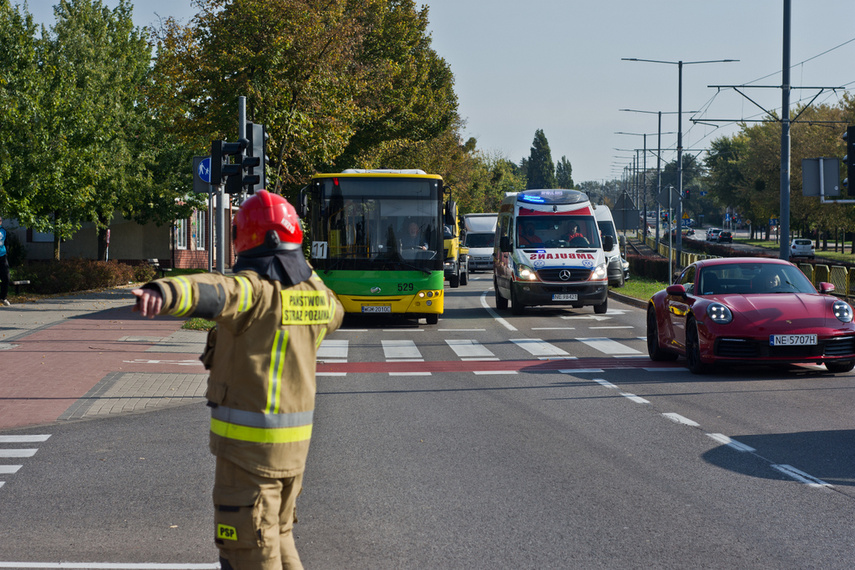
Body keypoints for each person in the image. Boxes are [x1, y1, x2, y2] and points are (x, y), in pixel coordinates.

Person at [132, 190, 344, 570]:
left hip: (249, 458)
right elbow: (334, 309)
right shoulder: (319, 298)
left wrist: (164, 290)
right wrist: (299, 265)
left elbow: (216, 290)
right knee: (279, 538)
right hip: (292, 456)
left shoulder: (257, 293)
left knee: (247, 552)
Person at [0, 216, 9, 306]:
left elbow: (6, 242)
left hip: (2, 257)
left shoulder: (3, 231)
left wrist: (6, 252)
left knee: (6, 278)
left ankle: (3, 298)